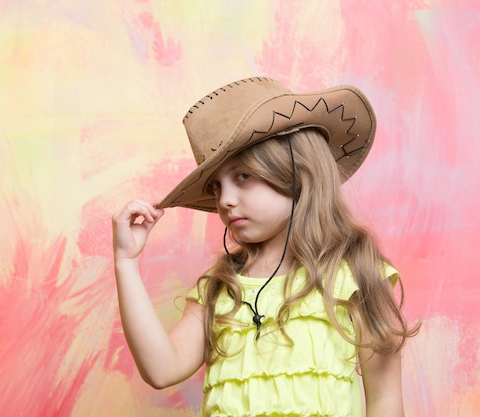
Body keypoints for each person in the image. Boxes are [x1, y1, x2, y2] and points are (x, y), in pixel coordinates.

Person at [112, 77, 419, 417]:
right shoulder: (219, 289)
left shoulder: (355, 273)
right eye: (216, 187)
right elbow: (161, 368)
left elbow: (385, 400)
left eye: (242, 176)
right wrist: (126, 262)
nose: (225, 201)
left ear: (296, 170)